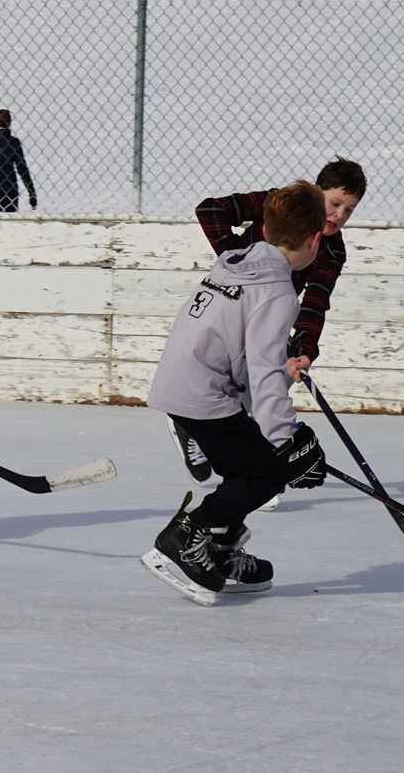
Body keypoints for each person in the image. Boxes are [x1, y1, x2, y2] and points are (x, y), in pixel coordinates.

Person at [140, 181, 332, 605]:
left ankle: (219, 550)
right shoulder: (277, 291)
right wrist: (288, 440)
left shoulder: (236, 262)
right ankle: (185, 535)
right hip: (204, 395)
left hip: (180, 384)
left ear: (264, 229)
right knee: (266, 475)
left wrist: (278, 434)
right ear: (315, 239)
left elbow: (246, 356)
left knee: (245, 469)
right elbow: (264, 373)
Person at [184, 156, 365, 478]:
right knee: (238, 377)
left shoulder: (332, 250)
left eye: (349, 209)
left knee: (277, 375)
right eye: (335, 203)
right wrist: (235, 261)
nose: (339, 215)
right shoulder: (280, 205)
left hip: (268, 315)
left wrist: (304, 349)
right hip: (231, 305)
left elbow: (315, 302)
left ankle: (233, 452)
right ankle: (212, 439)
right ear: (316, 191)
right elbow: (210, 210)